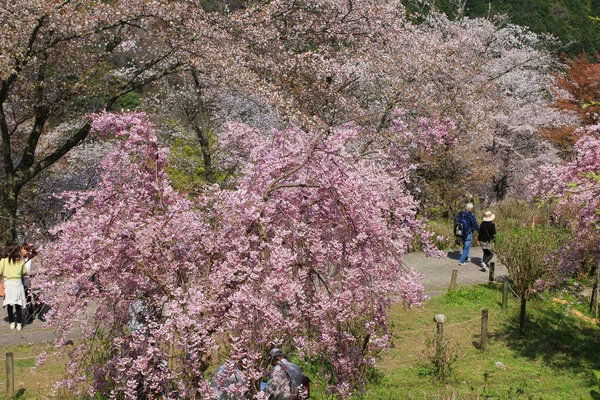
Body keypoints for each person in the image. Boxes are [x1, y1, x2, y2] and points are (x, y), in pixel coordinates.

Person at [1, 244, 27, 330]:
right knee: (18, 305)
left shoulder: (3, 261)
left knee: (9, 305)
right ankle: (19, 323)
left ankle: (12, 322)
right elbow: (24, 272)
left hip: (8, 284)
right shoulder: (21, 261)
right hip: (18, 284)